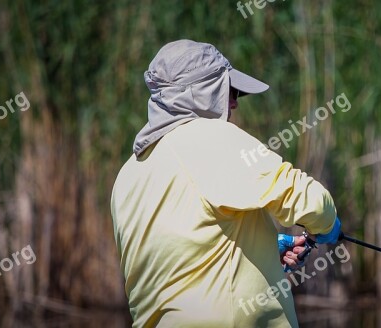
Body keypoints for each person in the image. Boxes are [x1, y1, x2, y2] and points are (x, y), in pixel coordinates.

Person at [110, 39, 342, 327]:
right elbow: (310, 201)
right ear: (200, 94)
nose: (234, 102)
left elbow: (181, 248)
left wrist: (266, 247)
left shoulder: (127, 175)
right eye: (229, 91)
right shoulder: (212, 137)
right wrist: (328, 227)